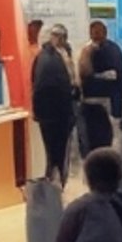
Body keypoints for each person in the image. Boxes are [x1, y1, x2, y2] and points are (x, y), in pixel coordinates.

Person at [33, 28, 78, 184]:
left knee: (52, 154)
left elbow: (35, 84)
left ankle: (53, 185)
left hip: (48, 114)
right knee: (58, 155)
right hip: (58, 113)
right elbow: (62, 86)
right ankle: (56, 187)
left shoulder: (43, 56)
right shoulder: (55, 58)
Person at [78, 21, 122, 154]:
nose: (96, 36)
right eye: (94, 33)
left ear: (105, 33)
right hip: (99, 103)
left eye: (98, 32)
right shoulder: (91, 50)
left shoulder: (111, 51)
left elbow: (120, 77)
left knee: (108, 140)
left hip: (108, 103)